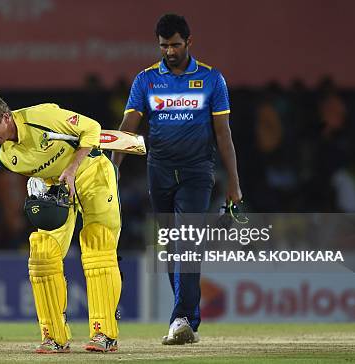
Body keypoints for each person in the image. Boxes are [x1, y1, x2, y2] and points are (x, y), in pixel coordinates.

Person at [0, 93, 122, 353]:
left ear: (6, 117)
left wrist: (71, 169)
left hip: (91, 173)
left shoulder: (43, 116)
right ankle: (54, 337)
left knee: (98, 245)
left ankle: (104, 335)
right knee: (42, 255)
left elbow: (91, 128)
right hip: (53, 188)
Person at [112, 14, 242, 344]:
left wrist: (234, 183)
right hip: (158, 172)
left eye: (175, 45)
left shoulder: (212, 79)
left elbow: (223, 134)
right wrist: (113, 167)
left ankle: (180, 318)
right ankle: (189, 320)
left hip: (198, 172)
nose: (169, 52)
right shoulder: (146, 80)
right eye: (164, 46)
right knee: (173, 247)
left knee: (188, 242)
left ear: (189, 42)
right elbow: (128, 127)